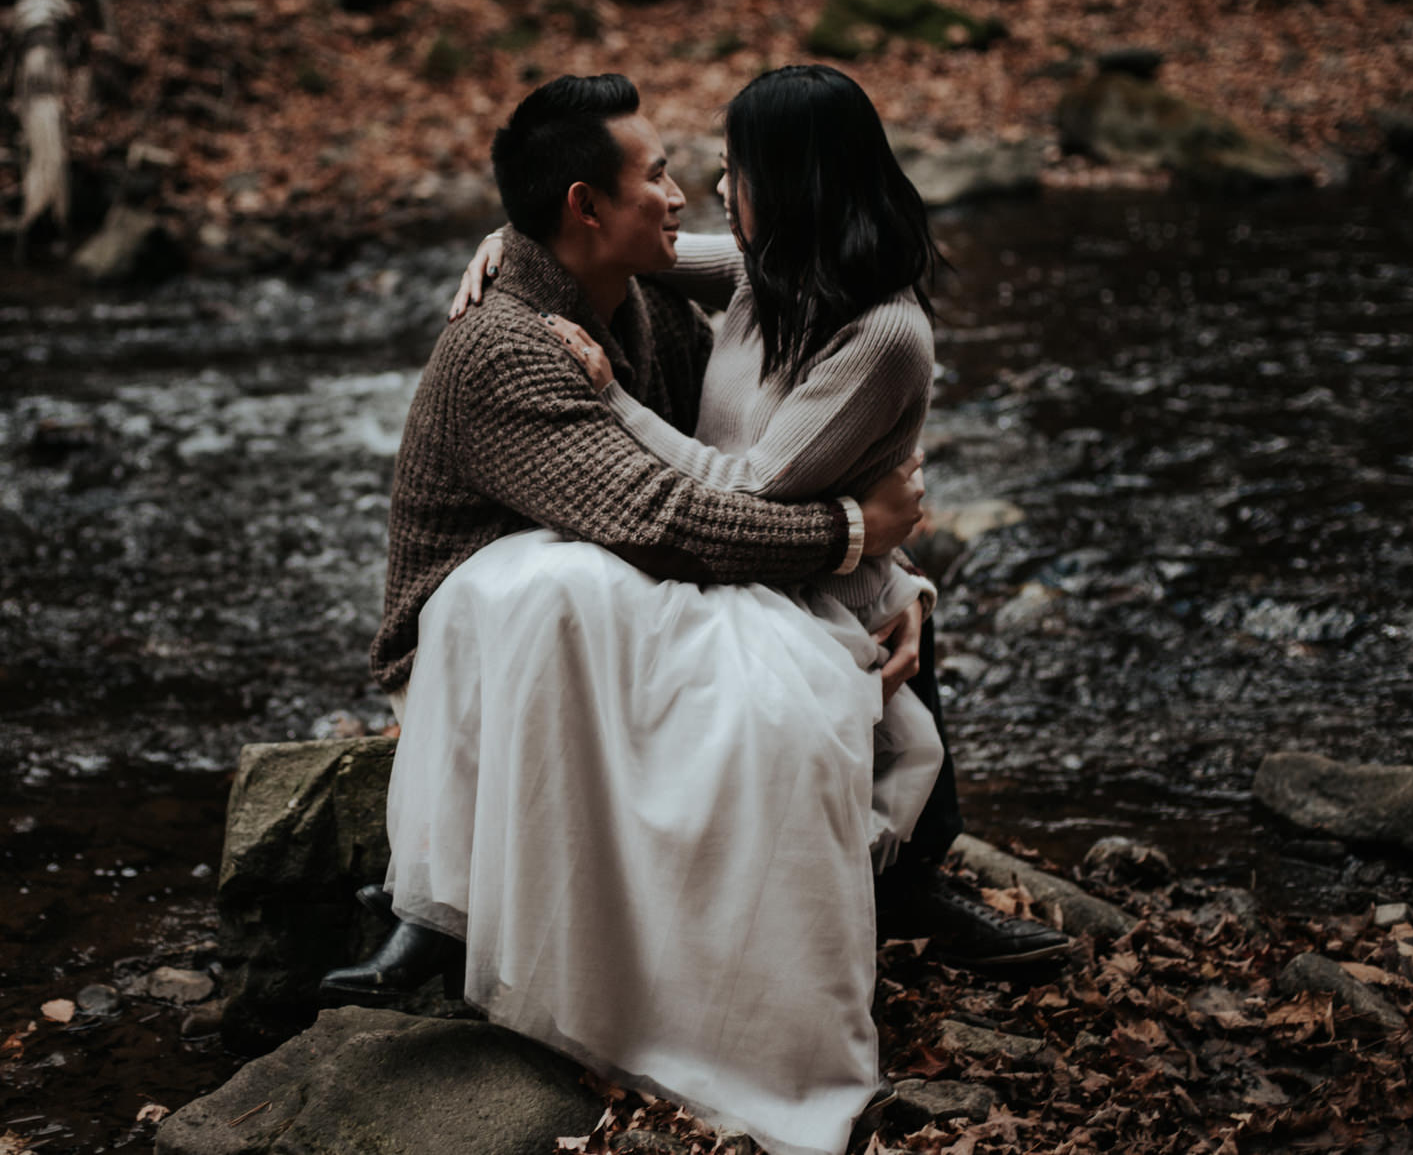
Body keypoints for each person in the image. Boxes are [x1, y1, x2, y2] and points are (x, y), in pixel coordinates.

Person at [333, 69, 1058, 1155]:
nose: (690, 195)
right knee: (759, 668)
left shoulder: (676, 305)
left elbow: (732, 488)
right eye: (661, 173)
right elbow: (665, 515)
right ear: (585, 206)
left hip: (624, 568)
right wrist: (859, 536)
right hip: (490, 612)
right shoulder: (515, 343)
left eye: (719, 170)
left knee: (832, 646)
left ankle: (899, 873)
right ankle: (437, 908)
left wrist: (889, 565)